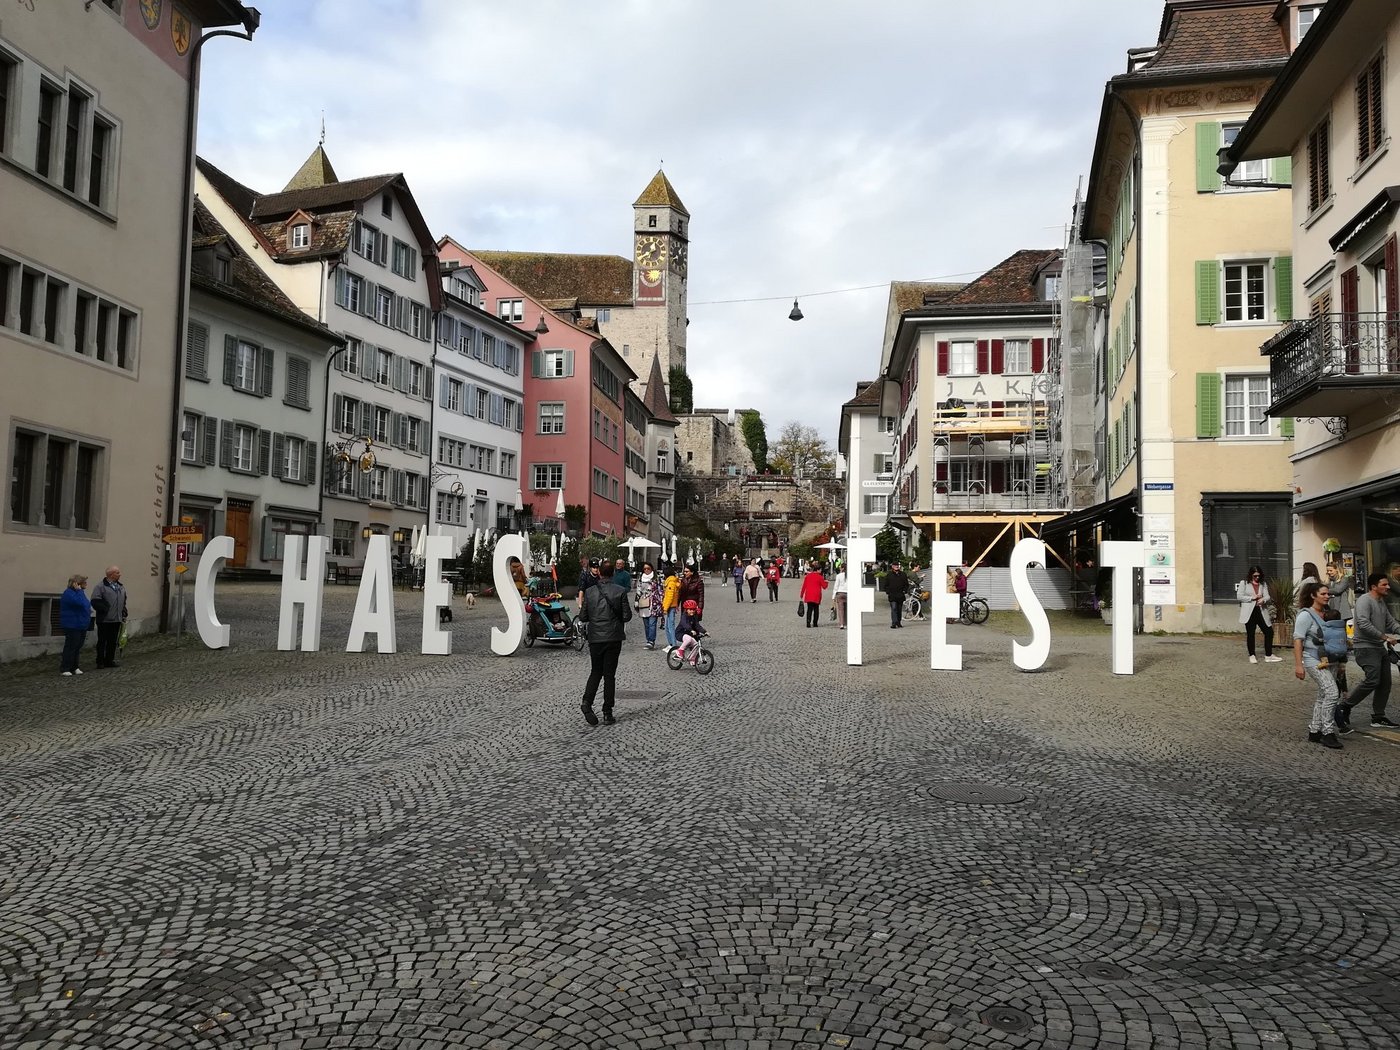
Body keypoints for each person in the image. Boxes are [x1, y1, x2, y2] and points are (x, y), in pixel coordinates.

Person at [1338, 571, 1400, 730]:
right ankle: (1346, 705)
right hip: (1365, 648)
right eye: (1384, 584)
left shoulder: (1381, 602)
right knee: (1373, 679)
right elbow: (1364, 624)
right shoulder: (1364, 601)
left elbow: (1391, 623)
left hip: (1379, 648)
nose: (1388, 587)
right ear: (1374, 587)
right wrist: (1385, 638)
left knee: (1385, 683)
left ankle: (1378, 717)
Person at [577, 561, 632, 726]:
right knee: (609, 676)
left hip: (595, 638)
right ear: (613, 573)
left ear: (599, 573)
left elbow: (583, 617)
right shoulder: (620, 591)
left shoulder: (589, 591)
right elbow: (627, 616)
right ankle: (607, 712)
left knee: (595, 672)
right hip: (613, 637)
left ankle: (587, 702)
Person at [1294, 580, 1342, 749]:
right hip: (1313, 659)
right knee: (1332, 693)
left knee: (1323, 695)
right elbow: (1298, 640)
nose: (1327, 596)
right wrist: (1298, 665)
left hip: (1331, 659)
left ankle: (1315, 731)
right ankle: (1328, 732)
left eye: (1328, 593)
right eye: (1323, 594)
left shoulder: (1329, 613)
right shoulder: (1305, 615)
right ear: (1313, 596)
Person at [1235, 565, 1280, 663]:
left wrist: (1263, 600)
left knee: (1269, 631)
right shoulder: (1244, 583)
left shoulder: (1263, 584)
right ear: (1251, 575)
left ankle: (1268, 655)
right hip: (1249, 612)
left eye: (1258, 576)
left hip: (1261, 611)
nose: (1257, 578)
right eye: (1255, 576)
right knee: (1251, 634)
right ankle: (1252, 655)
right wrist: (1252, 598)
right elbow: (1239, 596)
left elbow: (1267, 596)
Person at [91, 565, 128, 668]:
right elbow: (95, 601)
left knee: (112, 641)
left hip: (116, 619)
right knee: (102, 641)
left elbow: (123, 601)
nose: (120, 574)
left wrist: (124, 611)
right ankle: (100, 661)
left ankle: (109, 660)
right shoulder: (100, 586)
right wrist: (105, 609)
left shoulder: (120, 586)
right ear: (111, 575)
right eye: (117, 572)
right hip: (104, 620)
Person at [59, 573, 93, 676]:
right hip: (72, 624)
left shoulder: (80, 593)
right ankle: (65, 667)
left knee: (77, 646)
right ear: (77, 584)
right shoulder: (69, 593)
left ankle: (75, 666)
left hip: (81, 624)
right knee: (71, 646)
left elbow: (87, 604)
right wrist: (78, 591)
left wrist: (79, 592)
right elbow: (80, 603)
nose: (86, 584)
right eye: (84, 582)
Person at [636, 561, 661, 650]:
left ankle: (651, 641)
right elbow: (638, 590)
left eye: (648, 568)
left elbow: (660, 590)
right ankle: (648, 640)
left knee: (652, 623)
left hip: (653, 603)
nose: (646, 570)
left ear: (651, 569)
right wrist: (636, 601)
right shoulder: (640, 578)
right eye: (645, 569)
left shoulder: (656, 577)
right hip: (643, 602)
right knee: (646, 623)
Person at [675, 599, 706, 664]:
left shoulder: (694, 617)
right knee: (688, 639)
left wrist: (704, 632)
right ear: (686, 610)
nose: (692, 611)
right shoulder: (684, 616)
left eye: (693, 610)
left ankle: (692, 658)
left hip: (688, 633)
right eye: (690, 609)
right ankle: (679, 651)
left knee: (696, 645)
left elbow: (697, 625)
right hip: (680, 633)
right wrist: (691, 630)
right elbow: (685, 624)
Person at [661, 564, 681, 650]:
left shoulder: (671, 583)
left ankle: (674, 645)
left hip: (670, 607)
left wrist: (665, 608)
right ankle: (671, 644)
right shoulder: (672, 582)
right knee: (668, 626)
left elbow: (669, 596)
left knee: (670, 626)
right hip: (670, 606)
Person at [885, 562, 909, 629]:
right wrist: (888, 592)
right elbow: (886, 585)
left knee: (899, 609)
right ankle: (894, 623)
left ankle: (898, 622)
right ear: (892, 566)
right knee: (894, 608)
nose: (897, 566)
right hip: (892, 595)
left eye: (897, 565)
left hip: (900, 595)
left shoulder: (903, 574)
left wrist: (905, 590)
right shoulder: (889, 575)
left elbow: (906, 584)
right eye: (895, 565)